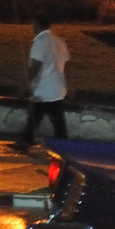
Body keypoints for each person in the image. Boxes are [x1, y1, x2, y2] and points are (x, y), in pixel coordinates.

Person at [18, 15, 70, 149]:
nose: (31, 27)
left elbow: (35, 65)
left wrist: (26, 84)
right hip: (57, 88)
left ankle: (27, 141)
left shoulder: (40, 41)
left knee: (38, 114)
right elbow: (65, 64)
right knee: (55, 119)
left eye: (32, 24)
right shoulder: (59, 41)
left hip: (43, 88)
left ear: (36, 24)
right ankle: (63, 145)